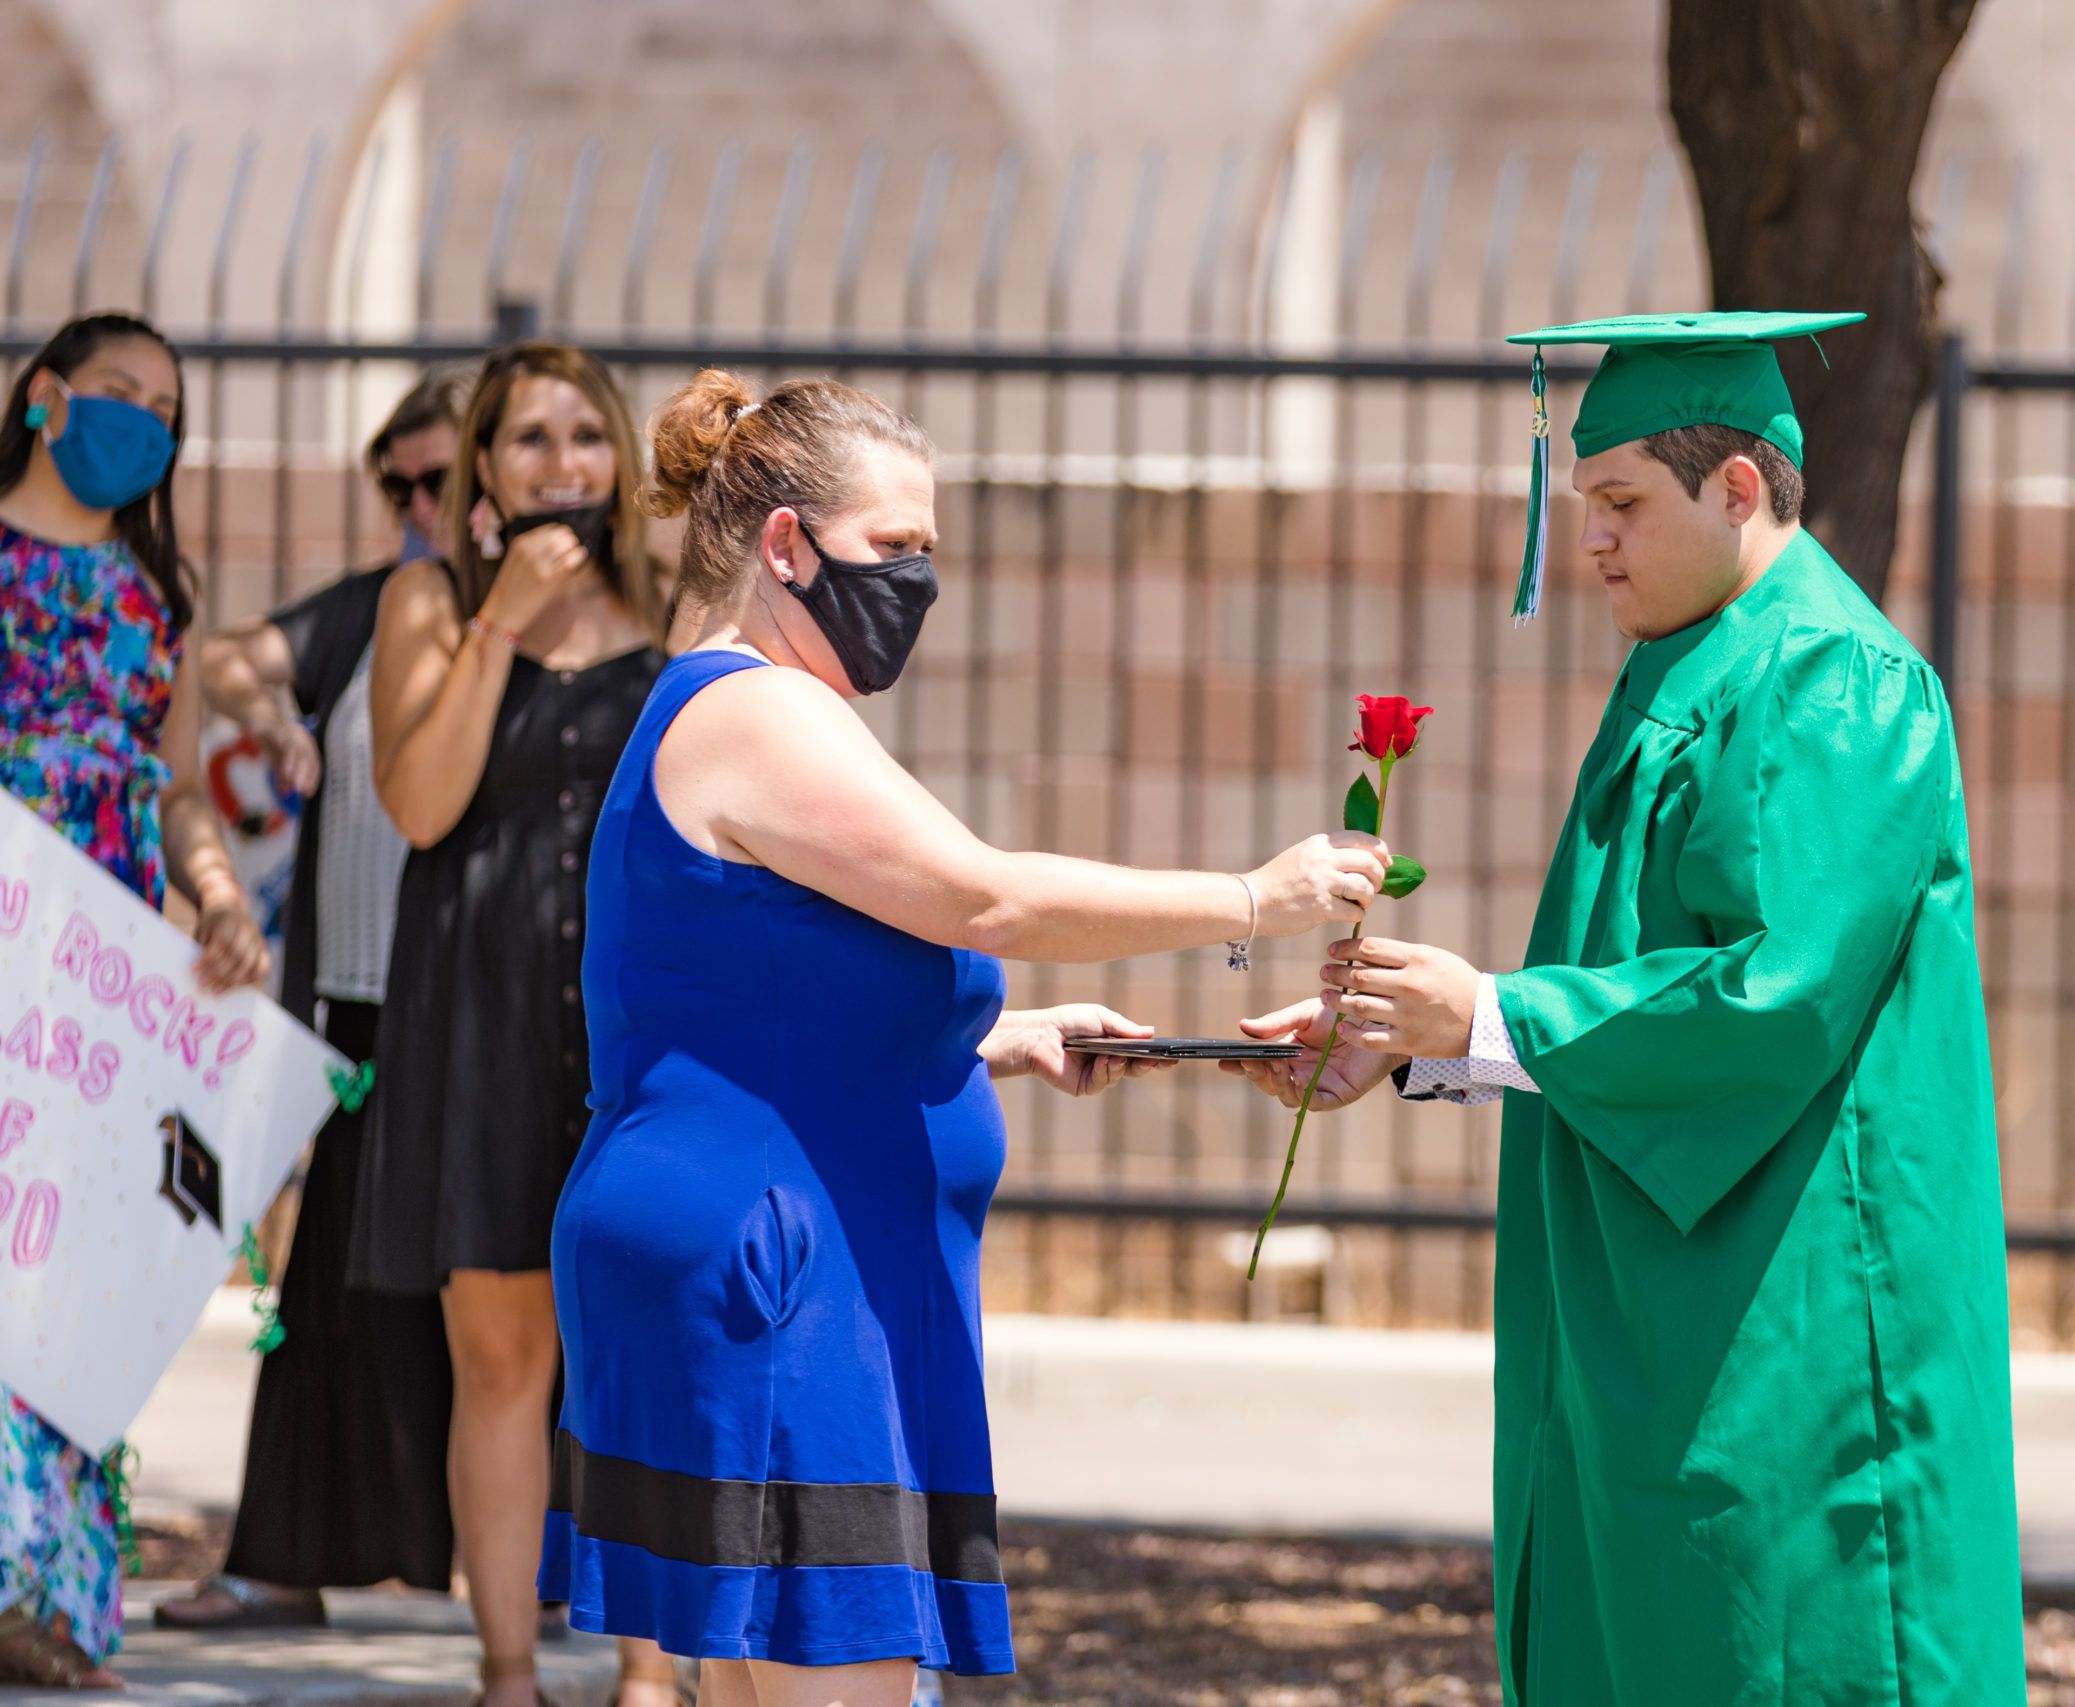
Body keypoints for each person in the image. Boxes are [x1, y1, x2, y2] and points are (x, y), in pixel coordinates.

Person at [536, 370, 1387, 1707]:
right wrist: (1248, 898)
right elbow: (983, 890)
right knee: (842, 1676)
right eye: (898, 548)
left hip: (762, 1256)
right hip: (779, 1278)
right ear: (784, 544)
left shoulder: (723, 703)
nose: (921, 582)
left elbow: (741, 998)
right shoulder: (756, 708)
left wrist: (1008, 1036)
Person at [1230, 312, 2029, 1704]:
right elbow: (1625, 973)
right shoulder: (1698, 660)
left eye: (1618, 503)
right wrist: (1421, 1046)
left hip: (1790, 1310)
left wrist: (1487, 1013)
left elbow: (1773, 998)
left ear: (1735, 491)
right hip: (1667, 1286)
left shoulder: (1833, 677)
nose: (1587, 540)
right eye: (1582, 503)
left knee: (1784, 1638)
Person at [348, 343, 676, 1707]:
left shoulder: (670, 605)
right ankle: (506, 1672)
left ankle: (653, 1670)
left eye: (583, 437)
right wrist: (500, 625)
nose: (560, 465)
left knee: (645, 1348)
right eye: (527, 439)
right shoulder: (429, 598)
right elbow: (421, 804)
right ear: (480, 464)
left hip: (636, 1021)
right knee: (502, 1353)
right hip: (476, 1013)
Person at [154, 367, 474, 1633]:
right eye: (392, 482)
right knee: (325, 1293)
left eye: (435, 477)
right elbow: (225, 659)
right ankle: (284, 1555)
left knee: (518, 1298)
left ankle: (559, 1571)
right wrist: (270, 707)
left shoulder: (560, 623)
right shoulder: (365, 608)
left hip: (507, 1013)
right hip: (358, 1005)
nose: (413, 503)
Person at [0, 311, 272, 1687]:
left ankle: (42, 1593)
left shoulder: (161, 594)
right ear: (44, 398)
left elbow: (171, 792)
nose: (143, 421)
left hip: (98, 971)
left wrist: (220, 901)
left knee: (72, 1272)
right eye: (117, 392)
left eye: (167, 405)